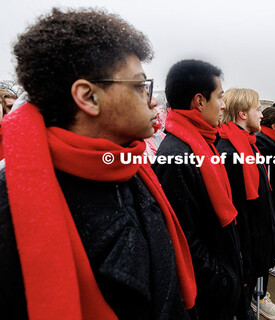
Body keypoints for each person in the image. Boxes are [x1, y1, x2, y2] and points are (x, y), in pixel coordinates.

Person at [0, 8, 195, 319]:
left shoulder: (127, 165)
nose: (153, 100)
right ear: (89, 97)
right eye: (140, 85)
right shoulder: (15, 212)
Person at [152, 59, 245, 320]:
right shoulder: (176, 154)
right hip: (208, 297)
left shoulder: (202, 141)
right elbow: (184, 238)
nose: (224, 105)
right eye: (220, 97)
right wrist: (223, 281)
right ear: (200, 101)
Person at [216, 88, 275, 320]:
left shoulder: (248, 141)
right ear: (243, 114)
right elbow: (237, 210)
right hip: (248, 242)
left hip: (260, 232)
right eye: (257, 109)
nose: (262, 115)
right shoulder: (228, 150)